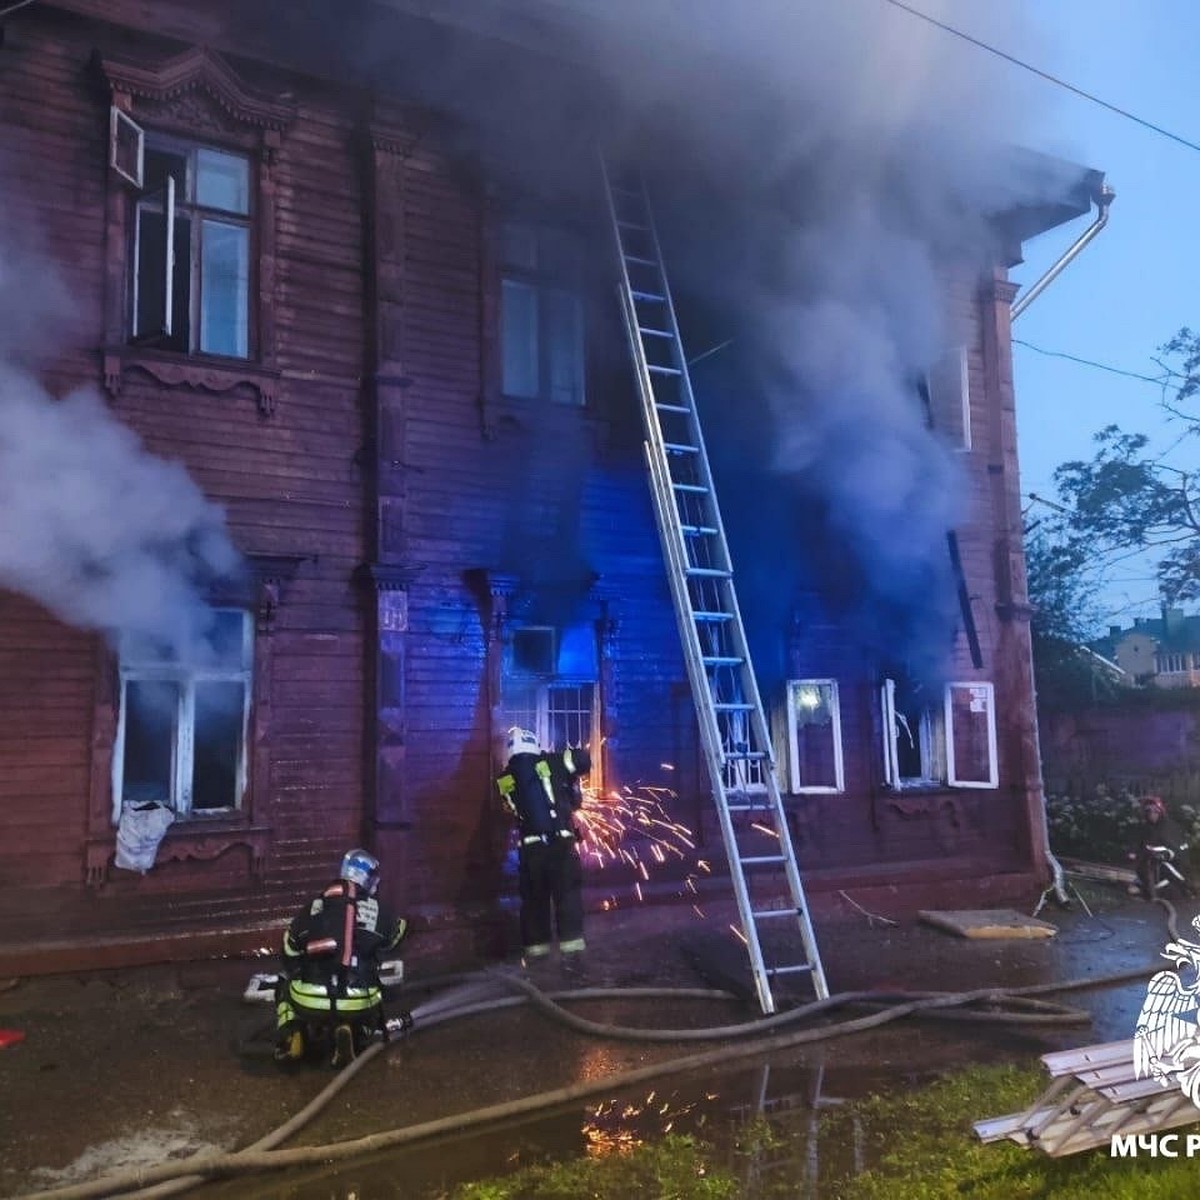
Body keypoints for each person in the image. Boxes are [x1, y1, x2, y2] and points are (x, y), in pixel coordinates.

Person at [274, 848, 410, 1068]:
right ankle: (354, 1030)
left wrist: (301, 968)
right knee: (372, 993)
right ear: (368, 879)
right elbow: (398, 935)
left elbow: (288, 949)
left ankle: (292, 1032)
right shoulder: (379, 910)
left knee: (283, 983)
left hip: (309, 1000)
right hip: (359, 1000)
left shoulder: (314, 906)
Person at [496, 727, 592, 963]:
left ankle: (537, 958)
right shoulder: (553, 761)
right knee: (567, 897)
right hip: (560, 847)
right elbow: (581, 760)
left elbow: (512, 810)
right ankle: (573, 959)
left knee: (533, 903)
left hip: (530, 852)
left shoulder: (504, 779)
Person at [1130, 795, 1194, 902]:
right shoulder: (1147, 828)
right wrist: (1133, 852)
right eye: (1148, 811)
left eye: (1154, 811)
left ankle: (1185, 889)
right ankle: (1148, 891)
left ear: (1160, 811)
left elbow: (1180, 853)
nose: (1151, 814)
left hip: (1173, 868)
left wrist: (1165, 855)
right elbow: (1139, 846)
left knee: (1161, 868)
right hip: (1152, 868)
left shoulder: (1170, 828)